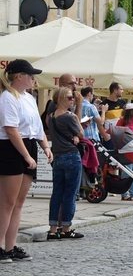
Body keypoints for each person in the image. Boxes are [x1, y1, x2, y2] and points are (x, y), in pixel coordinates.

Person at [0, 60, 53, 262]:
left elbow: (37, 127)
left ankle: (10, 247)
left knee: (18, 203)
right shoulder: (7, 97)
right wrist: (26, 156)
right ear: (19, 76)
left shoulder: (29, 98)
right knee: (7, 202)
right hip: (11, 149)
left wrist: (45, 147)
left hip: (28, 144)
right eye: (30, 75)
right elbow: (10, 129)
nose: (33, 78)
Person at [46, 87, 85, 240]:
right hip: (71, 156)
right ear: (61, 99)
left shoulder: (51, 116)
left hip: (58, 157)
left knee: (57, 193)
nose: (72, 100)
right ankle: (67, 228)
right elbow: (81, 133)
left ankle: (53, 229)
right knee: (70, 194)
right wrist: (76, 117)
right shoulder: (70, 117)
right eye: (69, 98)